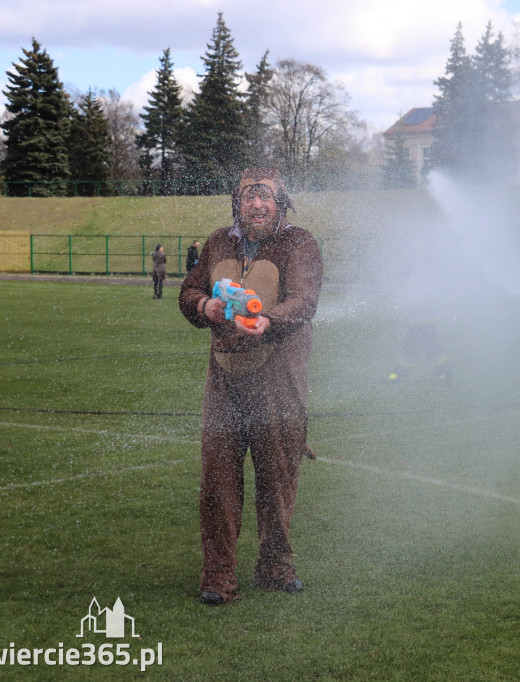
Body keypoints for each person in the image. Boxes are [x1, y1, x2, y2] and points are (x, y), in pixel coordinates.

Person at [178, 168, 323, 605]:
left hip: (278, 383)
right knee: (217, 481)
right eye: (249, 196)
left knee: (276, 480)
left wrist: (269, 319)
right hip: (223, 382)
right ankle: (218, 576)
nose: (257, 204)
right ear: (237, 202)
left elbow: (304, 300)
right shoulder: (219, 240)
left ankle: (275, 566)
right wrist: (206, 304)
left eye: (267, 197)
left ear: (282, 203)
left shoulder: (300, 243)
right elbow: (188, 292)